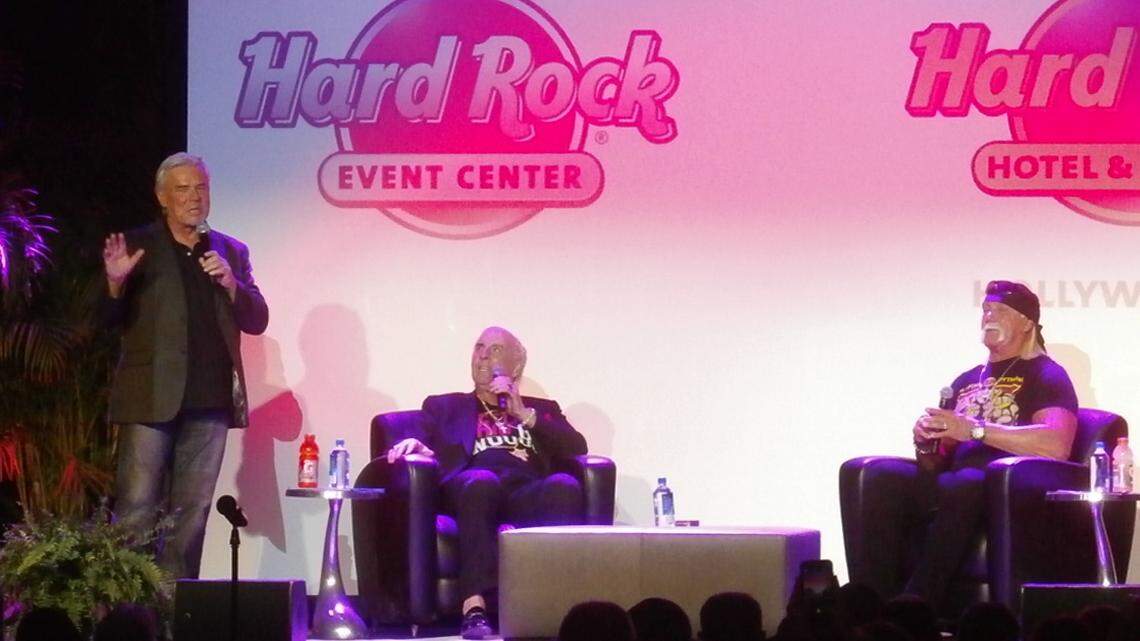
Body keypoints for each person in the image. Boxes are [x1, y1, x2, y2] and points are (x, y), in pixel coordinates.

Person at [858, 280, 1078, 613]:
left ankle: (914, 607)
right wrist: (927, 441)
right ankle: (869, 607)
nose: (990, 315)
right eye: (986, 309)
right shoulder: (966, 379)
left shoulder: (1047, 374)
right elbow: (935, 463)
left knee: (968, 482)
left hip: (1005, 491)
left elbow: (1056, 444)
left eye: (1002, 310)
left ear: (1027, 322)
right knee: (875, 477)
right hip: (952, 483)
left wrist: (974, 430)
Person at [102, 152, 268, 579]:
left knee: (191, 516)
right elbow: (103, 323)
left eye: (201, 188)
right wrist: (115, 284)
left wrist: (232, 285)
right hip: (150, 399)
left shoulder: (230, 250)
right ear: (162, 197)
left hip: (210, 400)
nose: (194, 198)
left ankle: (176, 613)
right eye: (183, 189)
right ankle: (130, 612)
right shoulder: (139, 246)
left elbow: (257, 318)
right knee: (136, 510)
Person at [386, 326, 587, 639]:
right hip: (470, 487)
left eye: (494, 350)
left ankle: (555, 608)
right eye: (478, 347)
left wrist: (523, 413)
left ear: (516, 367)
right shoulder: (445, 406)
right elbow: (427, 442)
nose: (482, 354)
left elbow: (576, 448)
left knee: (564, 485)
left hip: (524, 490)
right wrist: (419, 446)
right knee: (482, 482)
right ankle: (473, 607)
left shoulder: (543, 410)